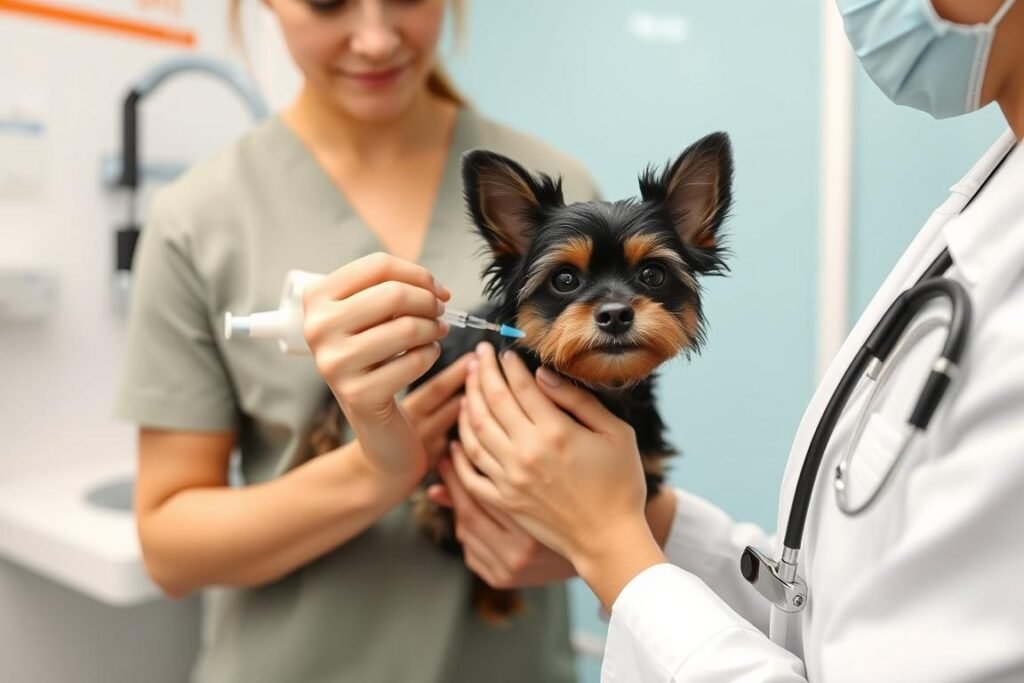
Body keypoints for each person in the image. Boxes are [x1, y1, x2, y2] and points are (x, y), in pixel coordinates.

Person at [437, 0, 1024, 680]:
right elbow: (829, 608)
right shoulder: (992, 190)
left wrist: (612, 544)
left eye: (650, 276)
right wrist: (648, 523)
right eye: (568, 282)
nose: (615, 308)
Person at [115, 1, 615, 680]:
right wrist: (379, 468)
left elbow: (614, 469)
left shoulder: (556, 198)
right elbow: (171, 550)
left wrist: (579, 544)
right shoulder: (196, 220)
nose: (376, 40)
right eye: (328, 2)